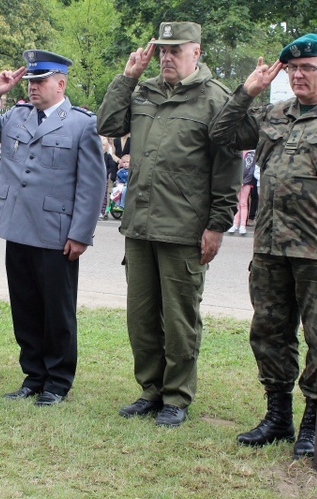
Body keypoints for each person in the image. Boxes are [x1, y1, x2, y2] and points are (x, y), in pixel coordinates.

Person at [208, 33, 317, 458]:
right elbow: (221, 134)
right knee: (268, 333)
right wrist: (247, 90)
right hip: (270, 249)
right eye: (292, 69)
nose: (298, 75)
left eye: (307, 68)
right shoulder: (274, 113)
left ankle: (312, 420)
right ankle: (277, 415)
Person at [97, 21, 241, 427]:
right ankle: (150, 390)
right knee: (140, 317)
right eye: (162, 50)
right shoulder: (144, 90)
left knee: (180, 320)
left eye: (175, 50)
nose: (166, 57)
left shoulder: (215, 100)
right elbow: (107, 125)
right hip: (140, 226)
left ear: (196, 52)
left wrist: (216, 226)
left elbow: (227, 171)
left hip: (184, 230)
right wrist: (128, 77)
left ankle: (176, 396)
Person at [0, 50, 105, 406]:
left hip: (56, 233)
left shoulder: (81, 123)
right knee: (24, 305)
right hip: (18, 226)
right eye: (30, 82)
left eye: (40, 81)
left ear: (61, 83)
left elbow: (91, 184)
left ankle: (57, 381)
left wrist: (80, 234)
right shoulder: (16, 115)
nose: (33, 87)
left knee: (56, 311)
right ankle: (33, 375)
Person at [228, 150, 257, 235]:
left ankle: (242, 225)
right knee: (236, 203)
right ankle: (235, 224)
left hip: (247, 182)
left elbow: (252, 169)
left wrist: (244, 181)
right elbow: (233, 167)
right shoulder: (236, 151)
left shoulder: (252, 153)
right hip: (236, 181)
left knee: (243, 203)